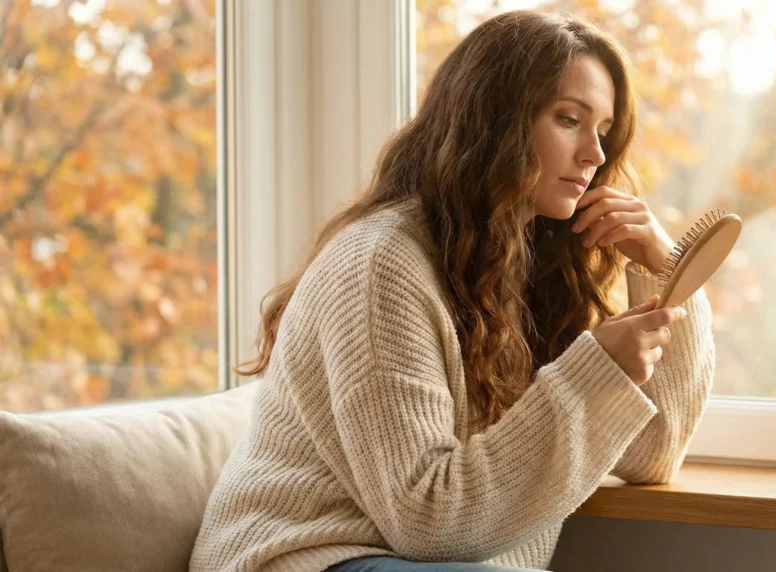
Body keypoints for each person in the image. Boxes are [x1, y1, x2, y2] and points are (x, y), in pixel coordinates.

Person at [189, 10, 715, 572]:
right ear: (495, 122)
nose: (595, 155)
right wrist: (596, 373)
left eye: (604, 131)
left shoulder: (523, 271)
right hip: (309, 556)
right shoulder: (381, 264)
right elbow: (427, 519)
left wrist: (667, 275)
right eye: (569, 119)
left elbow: (652, 454)